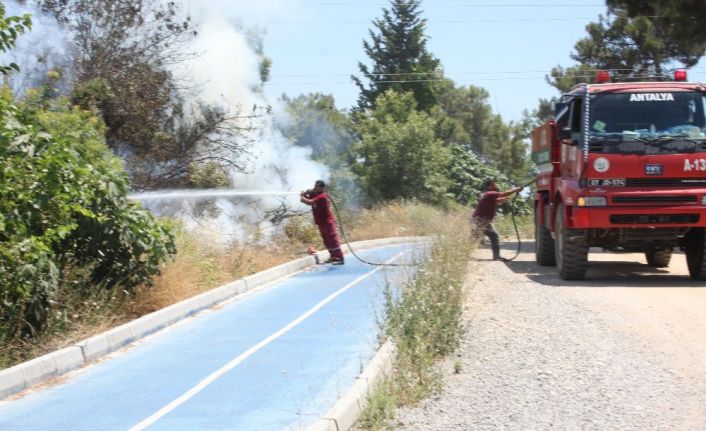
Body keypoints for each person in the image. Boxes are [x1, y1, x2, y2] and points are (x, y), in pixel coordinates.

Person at [472, 179, 523, 261]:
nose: (495, 185)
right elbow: (503, 193)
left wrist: (504, 199)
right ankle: (497, 256)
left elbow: (495, 201)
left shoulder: (486, 194)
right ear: (488, 186)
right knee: (493, 236)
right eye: (493, 184)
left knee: (474, 237)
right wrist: (515, 190)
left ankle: (460, 252)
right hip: (481, 220)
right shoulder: (490, 193)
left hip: (480, 219)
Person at [300, 180, 344, 264]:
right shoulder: (316, 195)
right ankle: (333, 257)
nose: (315, 187)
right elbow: (306, 200)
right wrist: (306, 193)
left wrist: (302, 195)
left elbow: (309, 202)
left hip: (328, 222)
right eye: (315, 186)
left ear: (322, 188)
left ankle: (339, 258)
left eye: (317, 186)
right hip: (321, 223)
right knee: (326, 241)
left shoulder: (322, 197)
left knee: (333, 240)